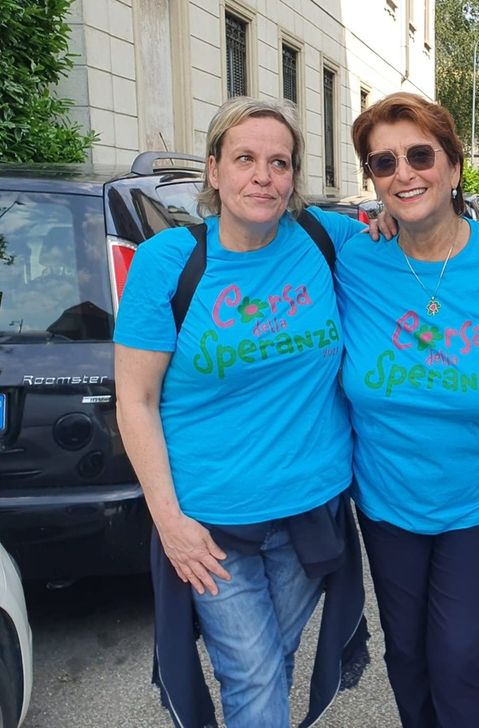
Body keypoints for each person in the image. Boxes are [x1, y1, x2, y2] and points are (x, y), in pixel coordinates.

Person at [114, 97, 369, 728]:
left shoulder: (325, 239)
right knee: (253, 674)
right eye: (245, 159)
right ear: (214, 169)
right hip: (212, 525)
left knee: (271, 664)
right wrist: (169, 522)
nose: (263, 177)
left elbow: (420, 245)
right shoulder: (169, 262)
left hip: (310, 511)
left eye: (279, 163)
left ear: (294, 175)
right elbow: (136, 401)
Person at [337, 92, 479, 728]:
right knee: (407, 654)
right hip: (386, 501)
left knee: (459, 657)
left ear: (454, 167)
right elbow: (275, 222)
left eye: (420, 155)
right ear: (373, 179)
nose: (404, 173)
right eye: (384, 163)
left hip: (478, 504)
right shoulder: (353, 258)